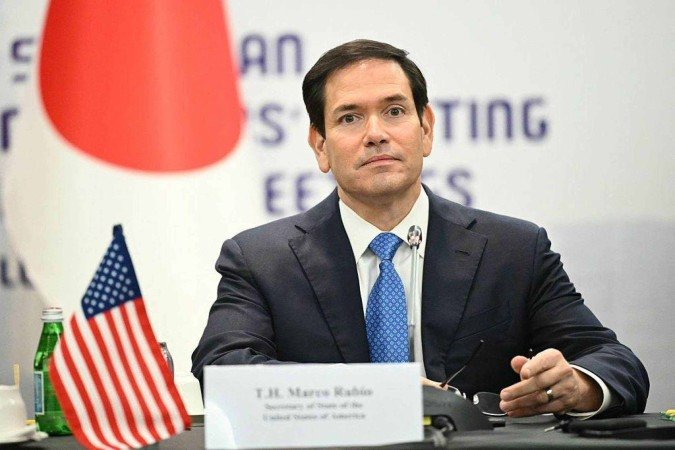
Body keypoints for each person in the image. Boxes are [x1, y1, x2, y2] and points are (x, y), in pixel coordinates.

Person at [192, 39, 648, 417]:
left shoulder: (514, 249)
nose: (376, 133)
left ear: (425, 129)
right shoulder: (261, 259)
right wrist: (375, 394)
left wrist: (577, 385)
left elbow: (614, 362)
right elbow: (222, 370)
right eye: (350, 118)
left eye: (394, 111)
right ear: (320, 146)